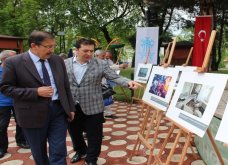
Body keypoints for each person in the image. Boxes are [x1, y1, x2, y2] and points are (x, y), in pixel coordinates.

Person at [0, 31, 75, 165]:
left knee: (59, 150)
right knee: (39, 152)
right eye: (48, 46)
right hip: (31, 113)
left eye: (53, 46)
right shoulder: (14, 62)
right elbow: (6, 88)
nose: (52, 50)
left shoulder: (57, 60)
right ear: (34, 45)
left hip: (58, 111)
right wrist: (35, 92)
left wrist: (70, 107)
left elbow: (65, 86)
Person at [65, 38, 140, 165]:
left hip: (93, 105)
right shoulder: (65, 63)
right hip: (72, 106)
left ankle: (91, 159)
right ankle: (80, 151)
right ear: (76, 50)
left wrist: (127, 82)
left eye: (91, 51)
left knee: (95, 135)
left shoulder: (100, 64)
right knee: (74, 132)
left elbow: (114, 76)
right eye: (85, 51)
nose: (89, 54)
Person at [0, 50, 30, 159]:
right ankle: (2, 148)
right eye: (15, 57)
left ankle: (21, 140)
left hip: (18, 101)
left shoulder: (18, 70)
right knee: (2, 126)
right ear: (6, 59)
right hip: (3, 103)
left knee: (21, 122)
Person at [95, 49, 127, 118]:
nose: (105, 58)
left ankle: (108, 113)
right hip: (97, 85)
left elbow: (112, 67)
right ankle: (100, 114)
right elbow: (108, 68)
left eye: (107, 56)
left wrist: (120, 67)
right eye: (103, 56)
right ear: (97, 56)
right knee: (100, 100)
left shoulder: (106, 61)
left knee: (107, 97)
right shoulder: (94, 62)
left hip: (105, 82)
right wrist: (119, 66)